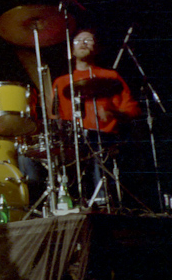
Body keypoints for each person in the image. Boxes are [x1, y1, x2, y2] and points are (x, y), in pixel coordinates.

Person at [50, 29, 140, 205]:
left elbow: (132, 109)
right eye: (78, 41)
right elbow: (54, 116)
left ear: (96, 48)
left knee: (99, 146)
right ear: (71, 50)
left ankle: (105, 203)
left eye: (88, 40)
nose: (83, 43)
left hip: (106, 140)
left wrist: (115, 113)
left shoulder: (110, 76)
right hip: (73, 142)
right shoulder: (60, 82)